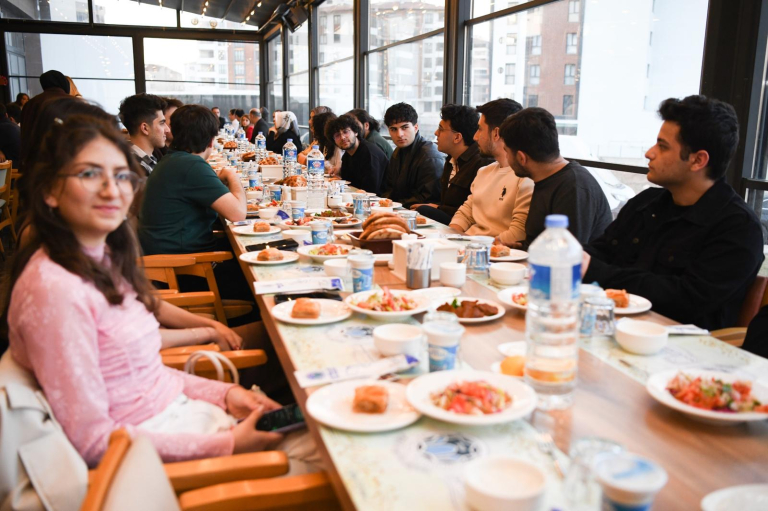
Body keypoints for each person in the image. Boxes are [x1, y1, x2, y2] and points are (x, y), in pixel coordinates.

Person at [4, 114, 319, 473]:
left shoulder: (98, 259)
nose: (111, 190)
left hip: (184, 419)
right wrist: (229, 444)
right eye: (90, 174)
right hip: (161, 462)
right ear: (49, 190)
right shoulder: (54, 291)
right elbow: (93, 443)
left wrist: (226, 394)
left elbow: (147, 377)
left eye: (120, 175)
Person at [582, 95, 764, 331]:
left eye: (663, 146)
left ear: (698, 160)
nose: (649, 153)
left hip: (682, 346)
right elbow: (601, 252)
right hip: (612, 327)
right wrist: (569, 256)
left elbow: (686, 300)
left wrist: (595, 270)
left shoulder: (738, 228)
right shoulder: (645, 203)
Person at [138, 104, 246, 256]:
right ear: (211, 141)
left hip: (169, 251)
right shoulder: (191, 165)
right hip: (183, 263)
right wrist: (232, 175)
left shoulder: (174, 159)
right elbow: (239, 214)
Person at [499, 107, 612, 248]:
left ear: (522, 158)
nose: (506, 158)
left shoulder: (573, 187)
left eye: (507, 152)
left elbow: (568, 254)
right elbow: (541, 243)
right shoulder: (546, 180)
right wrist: (517, 248)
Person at [449, 100, 533, 241]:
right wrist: (449, 238)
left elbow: (518, 233)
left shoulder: (525, 177)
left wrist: (473, 246)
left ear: (496, 134)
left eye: (480, 129)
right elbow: (465, 213)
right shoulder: (484, 171)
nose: (475, 137)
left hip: (492, 250)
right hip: (467, 244)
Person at [413, 104, 493, 225]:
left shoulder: (482, 163)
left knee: (423, 211)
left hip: (464, 225)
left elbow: (475, 211)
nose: (436, 133)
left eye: (441, 129)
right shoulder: (451, 159)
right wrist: (438, 207)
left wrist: (438, 208)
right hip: (452, 219)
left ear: (457, 137)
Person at [381, 103, 443, 208]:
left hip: (419, 213)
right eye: (393, 129)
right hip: (400, 209)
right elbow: (389, 188)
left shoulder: (429, 156)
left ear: (415, 127)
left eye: (404, 127)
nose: (399, 134)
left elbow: (428, 198)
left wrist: (395, 205)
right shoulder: (397, 152)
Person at [19, 70, 71, 171]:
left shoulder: (30, 104)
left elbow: (25, 133)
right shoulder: (73, 102)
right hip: (66, 162)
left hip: (35, 163)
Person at [326, 114, 388, 194]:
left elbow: (370, 190)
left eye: (345, 132)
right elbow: (348, 184)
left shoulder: (369, 153)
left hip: (380, 199)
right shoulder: (346, 156)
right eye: (337, 135)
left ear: (355, 132)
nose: (342, 137)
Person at [118, 93, 169, 176]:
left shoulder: (150, 159)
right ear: (145, 128)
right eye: (162, 123)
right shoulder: (136, 169)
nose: (167, 130)